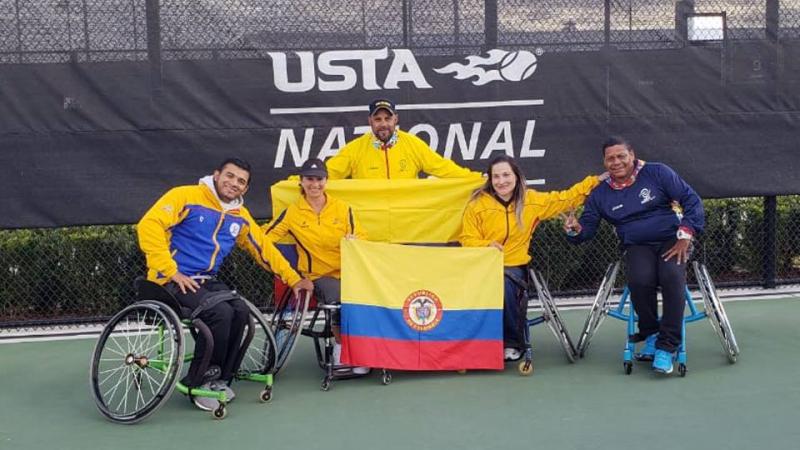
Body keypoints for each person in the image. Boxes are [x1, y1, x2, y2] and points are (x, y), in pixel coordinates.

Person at [137, 158, 313, 410]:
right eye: (229, 176)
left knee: (239, 311)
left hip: (205, 282)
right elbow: (149, 225)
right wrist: (171, 270)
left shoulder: (238, 215)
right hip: (168, 281)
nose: (234, 183)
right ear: (217, 175)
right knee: (218, 313)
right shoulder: (185, 196)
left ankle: (220, 378)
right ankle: (199, 382)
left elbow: (263, 249)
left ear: (246, 189)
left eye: (241, 181)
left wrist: (294, 279)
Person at [563, 137, 704, 375]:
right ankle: (651, 333)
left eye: (621, 156)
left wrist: (685, 237)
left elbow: (692, 200)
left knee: (671, 277)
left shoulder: (658, 172)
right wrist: (574, 230)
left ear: (632, 155)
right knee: (639, 280)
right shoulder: (600, 194)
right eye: (610, 158)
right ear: (604, 162)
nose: (616, 162)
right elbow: (586, 229)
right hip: (637, 245)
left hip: (672, 239)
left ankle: (667, 346)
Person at [460, 155, 602, 362]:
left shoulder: (531, 201)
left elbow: (566, 198)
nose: (501, 181)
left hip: (513, 267)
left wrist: (594, 181)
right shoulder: (477, 205)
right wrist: (486, 245)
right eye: (496, 176)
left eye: (506, 175)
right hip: (481, 267)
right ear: (490, 179)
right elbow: (466, 238)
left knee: (505, 284)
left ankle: (511, 343)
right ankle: (471, 343)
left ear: (517, 176)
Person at [264, 158, 369, 374]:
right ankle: (343, 352)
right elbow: (264, 238)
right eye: (309, 179)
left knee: (370, 297)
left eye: (319, 179)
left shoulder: (342, 208)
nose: (315, 184)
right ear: (301, 182)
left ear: (326, 181)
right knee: (338, 298)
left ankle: (368, 349)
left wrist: (355, 238)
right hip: (318, 275)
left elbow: (363, 236)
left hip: (349, 271)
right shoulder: (292, 212)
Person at [324, 98, 482, 180]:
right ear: (370, 121)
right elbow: (327, 173)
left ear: (396, 119)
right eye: (378, 119)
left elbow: (443, 168)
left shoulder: (412, 144)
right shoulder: (355, 148)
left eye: (388, 118)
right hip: (370, 226)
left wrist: (476, 178)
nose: (383, 124)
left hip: (406, 224)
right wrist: (300, 182)